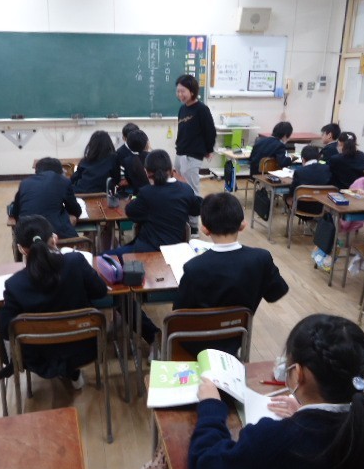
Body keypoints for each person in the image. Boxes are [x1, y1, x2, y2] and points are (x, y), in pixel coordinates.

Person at [190, 314, 364, 469]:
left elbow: (206, 467)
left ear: (297, 373)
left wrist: (211, 407)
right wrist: (310, 416)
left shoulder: (272, 439)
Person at [0, 215, 108, 387]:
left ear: (21, 249)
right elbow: (100, 291)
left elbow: (6, 331)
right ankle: (72, 372)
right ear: (54, 238)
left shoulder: (14, 285)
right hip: (85, 348)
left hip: (39, 358)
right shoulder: (75, 262)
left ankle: (68, 372)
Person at [174, 193, 289, 356]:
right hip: (236, 337)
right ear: (242, 225)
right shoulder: (261, 258)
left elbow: (178, 315)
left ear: (205, 229)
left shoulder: (194, 267)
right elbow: (276, 293)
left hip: (196, 344)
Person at [113, 149, 202, 257]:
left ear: (147, 172)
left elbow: (130, 212)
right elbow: (197, 208)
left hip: (148, 251)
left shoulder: (146, 192)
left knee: (104, 257)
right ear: (171, 169)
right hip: (176, 251)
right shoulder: (186, 190)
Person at [174, 74, 216, 236]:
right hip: (180, 153)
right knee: (179, 187)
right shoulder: (182, 108)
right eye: (178, 91)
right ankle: (184, 220)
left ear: (192, 91)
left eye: (183, 91)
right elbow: (182, 131)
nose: (180, 94)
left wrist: (209, 149)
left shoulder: (202, 109)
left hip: (193, 155)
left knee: (192, 190)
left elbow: (210, 131)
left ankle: (194, 226)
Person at [12, 157, 81, 239]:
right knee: (71, 220)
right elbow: (75, 210)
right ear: (60, 171)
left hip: (27, 235)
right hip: (53, 234)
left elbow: (15, 211)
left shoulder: (25, 183)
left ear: (36, 171)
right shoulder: (63, 181)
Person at [286, 145, 332, 216]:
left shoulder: (299, 172)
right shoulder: (327, 169)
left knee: (286, 195)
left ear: (303, 159)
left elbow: (292, 191)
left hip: (302, 206)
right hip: (322, 206)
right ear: (319, 158)